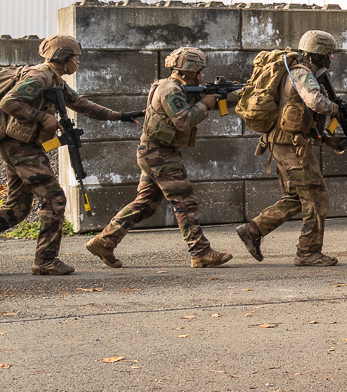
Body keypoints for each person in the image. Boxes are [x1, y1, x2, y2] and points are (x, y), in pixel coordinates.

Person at [0, 34, 140, 275]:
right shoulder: (40, 76)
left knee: (17, 208)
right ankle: (45, 260)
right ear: (62, 57)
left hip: (24, 144)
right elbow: (9, 102)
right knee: (55, 198)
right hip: (19, 146)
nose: (78, 62)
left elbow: (81, 104)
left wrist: (119, 116)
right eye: (75, 58)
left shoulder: (54, 79)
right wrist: (42, 117)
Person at [81, 47, 233, 268]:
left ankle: (104, 241)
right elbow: (183, 121)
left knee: (145, 204)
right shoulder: (171, 89)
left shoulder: (174, 86)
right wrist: (206, 103)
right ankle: (200, 252)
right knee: (184, 202)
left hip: (154, 152)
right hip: (159, 154)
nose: (202, 74)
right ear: (188, 70)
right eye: (200, 70)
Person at [235, 30, 344, 267]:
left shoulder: (295, 72)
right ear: (321, 54)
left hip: (284, 143)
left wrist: (327, 139)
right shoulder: (302, 73)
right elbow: (315, 102)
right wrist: (334, 109)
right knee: (316, 197)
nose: (332, 59)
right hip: (291, 147)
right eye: (330, 54)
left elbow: (300, 119)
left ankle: (253, 230)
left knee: (296, 197)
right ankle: (308, 252)